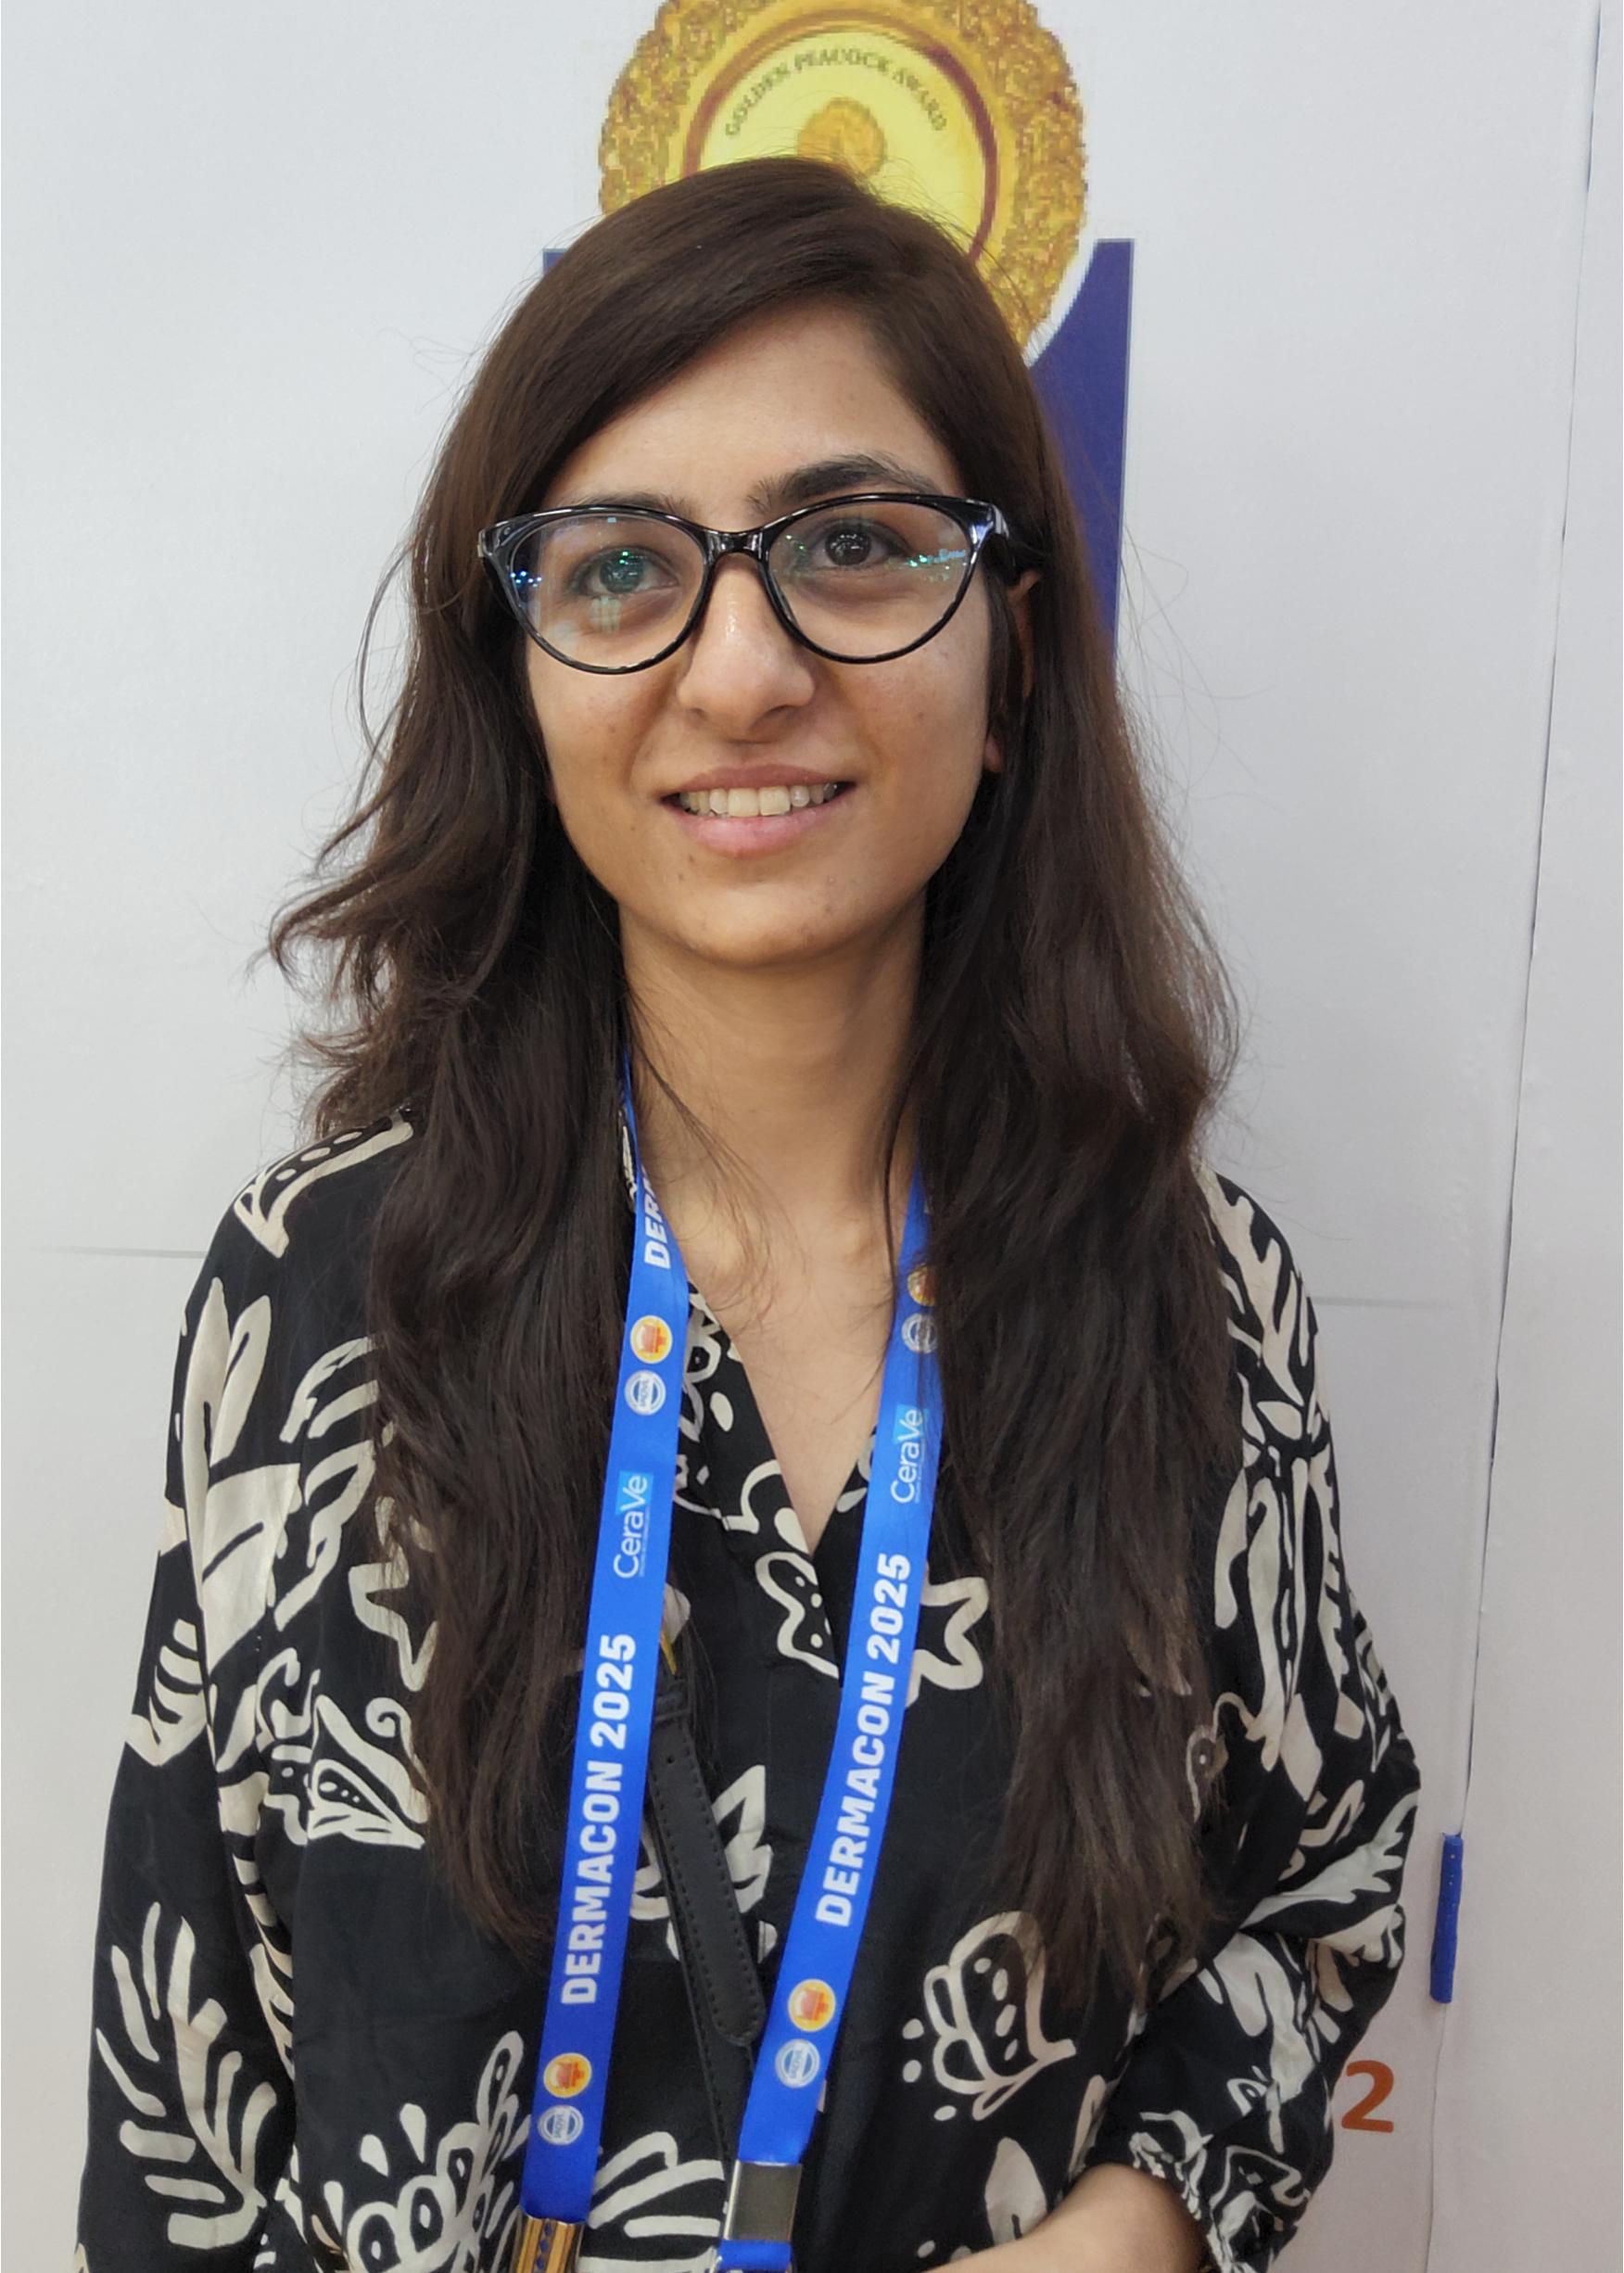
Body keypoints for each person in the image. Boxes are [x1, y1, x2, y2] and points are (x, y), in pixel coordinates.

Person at [77, 158, 1421, 2273]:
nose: (741, 669)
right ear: (522, 676)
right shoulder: (328, 1286)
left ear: (1013, 656)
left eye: (854, 545)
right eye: (623, 570)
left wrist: (1143, 2220)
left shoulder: (1188, 1294)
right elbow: (189, 2087)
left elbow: (1324, 1879)